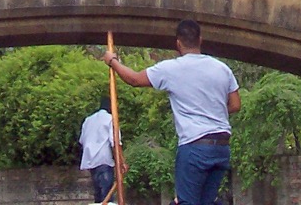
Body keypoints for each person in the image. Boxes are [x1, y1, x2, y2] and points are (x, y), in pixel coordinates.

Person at [103, 18, 240, 205]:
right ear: (201, 40)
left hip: (195, 146)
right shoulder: (222, 69)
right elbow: (235, 104)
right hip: (221, 147)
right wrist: (210, 108)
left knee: (187, 202)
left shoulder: (171, 69)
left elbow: (134, 80)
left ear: (178, 43)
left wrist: (113, 61)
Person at [78, 97, 120, 204]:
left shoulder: (88, 120)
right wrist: (121, 162)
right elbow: (115, 142)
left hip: (91, 162)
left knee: (98, 197)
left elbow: (82, 141)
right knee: (107, 197)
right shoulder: (110, 119)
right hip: (104, 161)